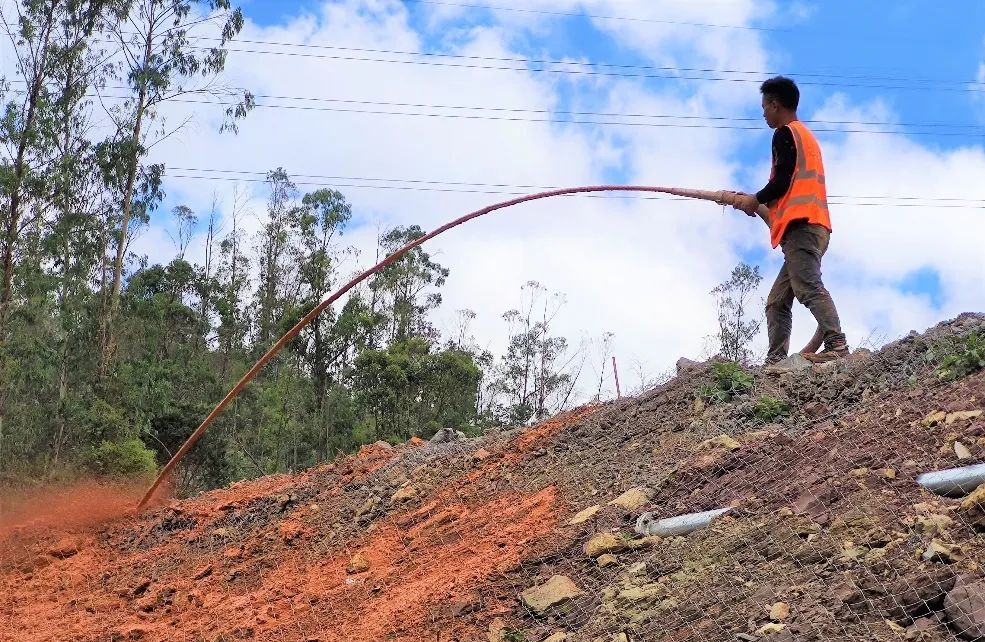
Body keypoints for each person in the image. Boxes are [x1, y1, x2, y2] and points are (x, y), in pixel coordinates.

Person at [731, 76, 849, 365]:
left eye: (764, 107)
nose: (762, 113)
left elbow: (782, 181)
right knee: (777, 301)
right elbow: (792, 183)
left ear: (774, 104)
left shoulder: (785, 133)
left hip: (802, 227)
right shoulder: (807, 138)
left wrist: (754, 199)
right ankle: (775, 361)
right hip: (815, 226)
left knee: (807, 286)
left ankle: (837, 343)